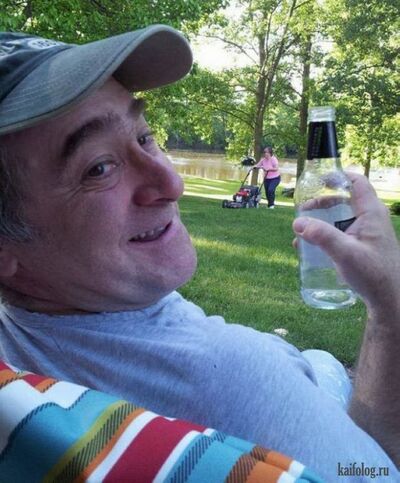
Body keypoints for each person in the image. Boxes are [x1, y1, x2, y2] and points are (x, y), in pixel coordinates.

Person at [0, 26, 399, 480]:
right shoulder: (238, 384)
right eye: (99, 167)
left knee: (321, 363)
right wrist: (389, 304)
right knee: (324, 367)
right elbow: (378, 472)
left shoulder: (21, 359)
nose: (173, 183)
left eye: (144, 136)